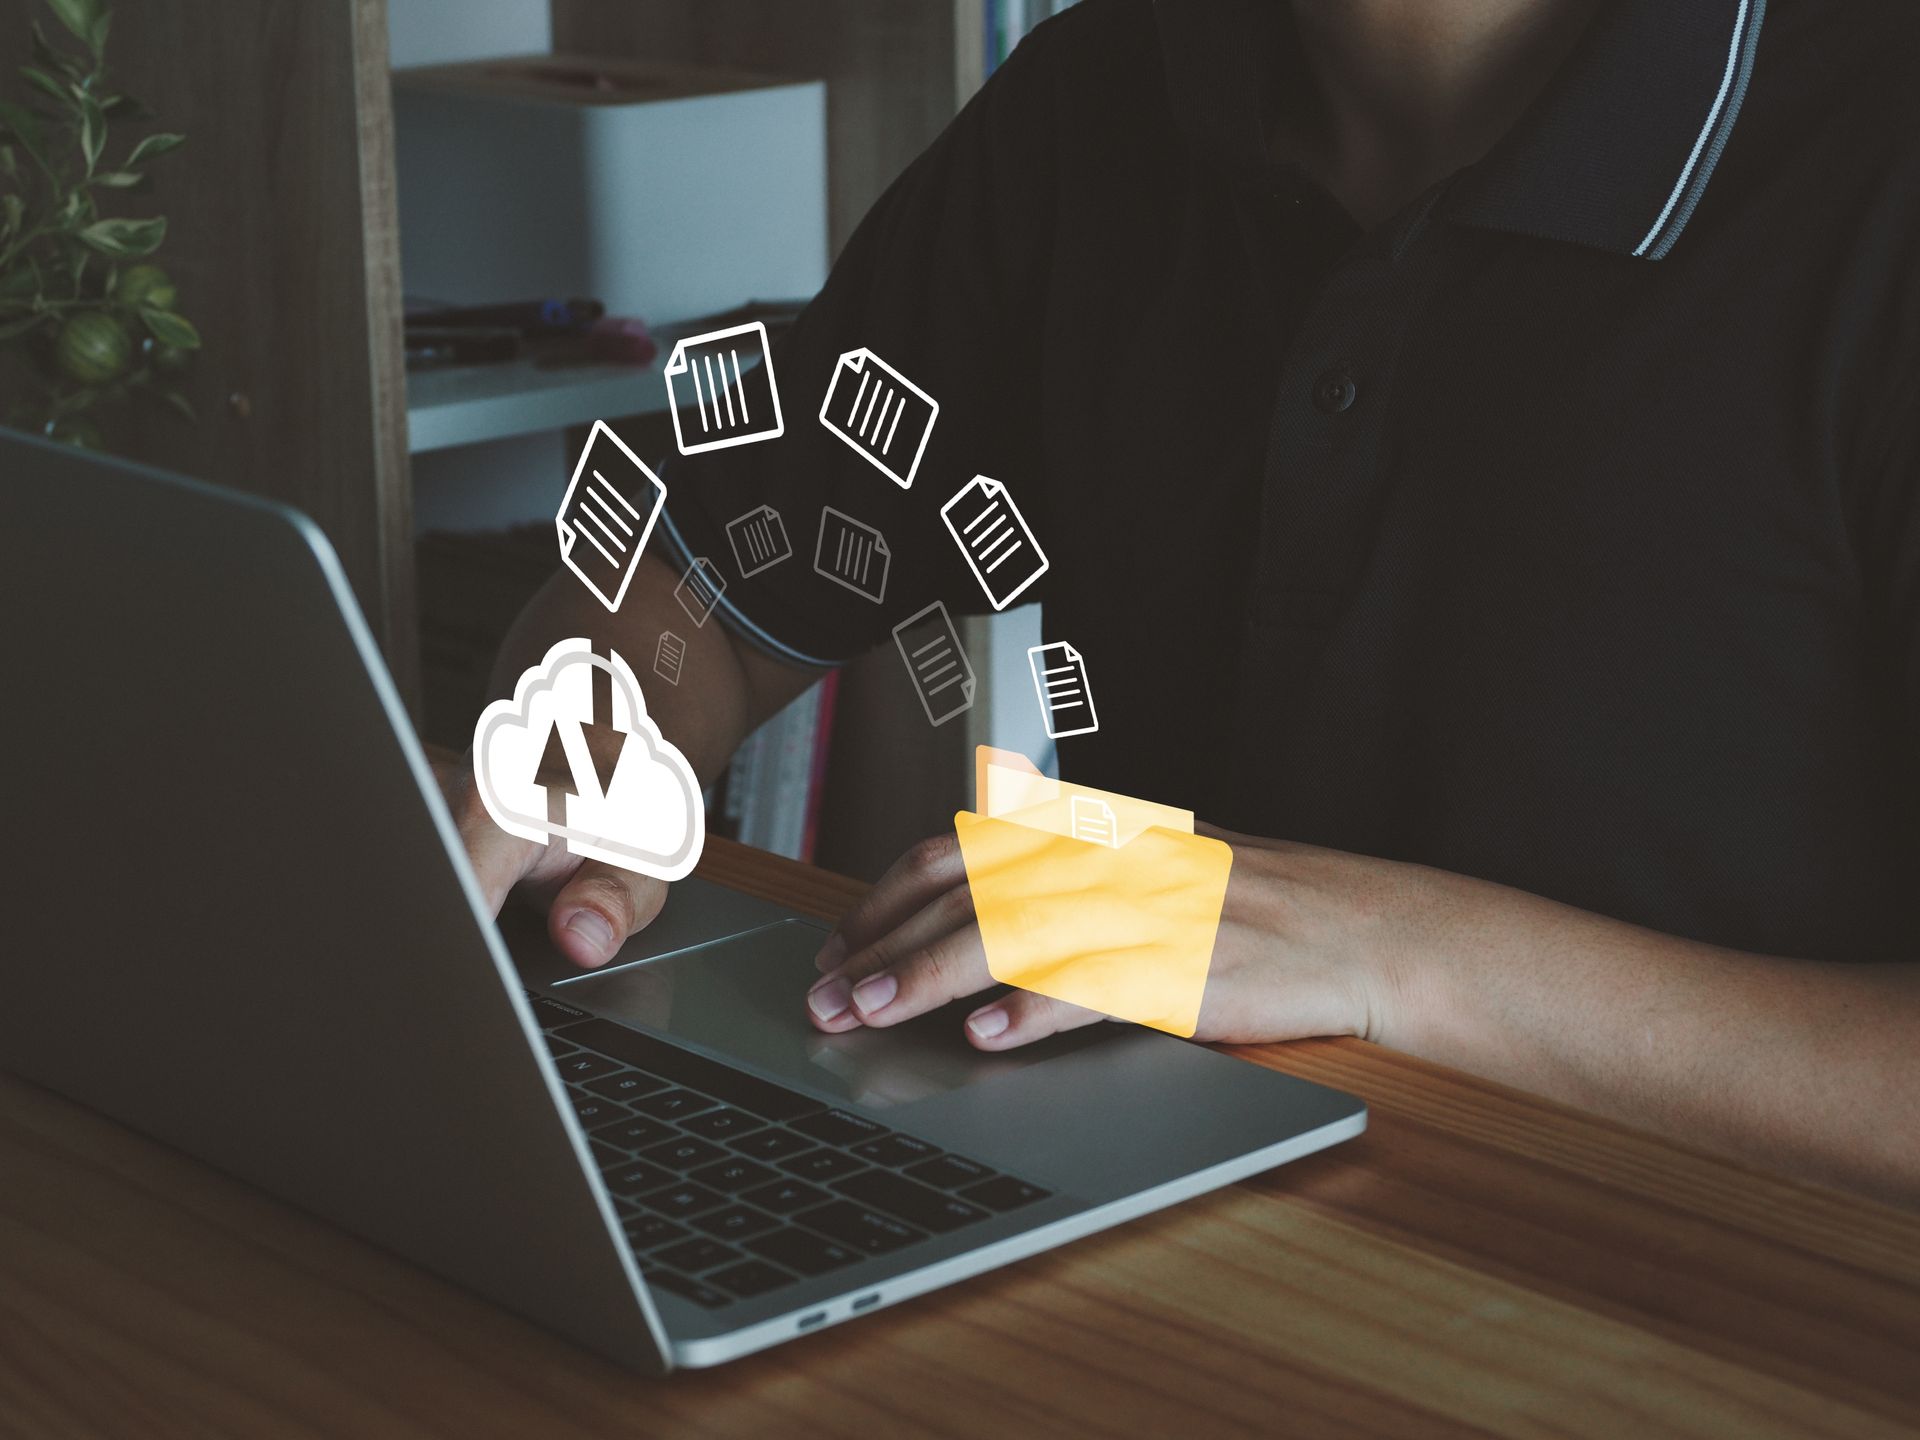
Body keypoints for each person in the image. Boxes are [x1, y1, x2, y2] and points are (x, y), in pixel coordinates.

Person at [451, 0, 1920, 1206]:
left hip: (1715, 1307)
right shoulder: (1112, 88)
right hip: (1145, 1234)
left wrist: (1391, 952)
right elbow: (697, 569)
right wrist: (577, 738)